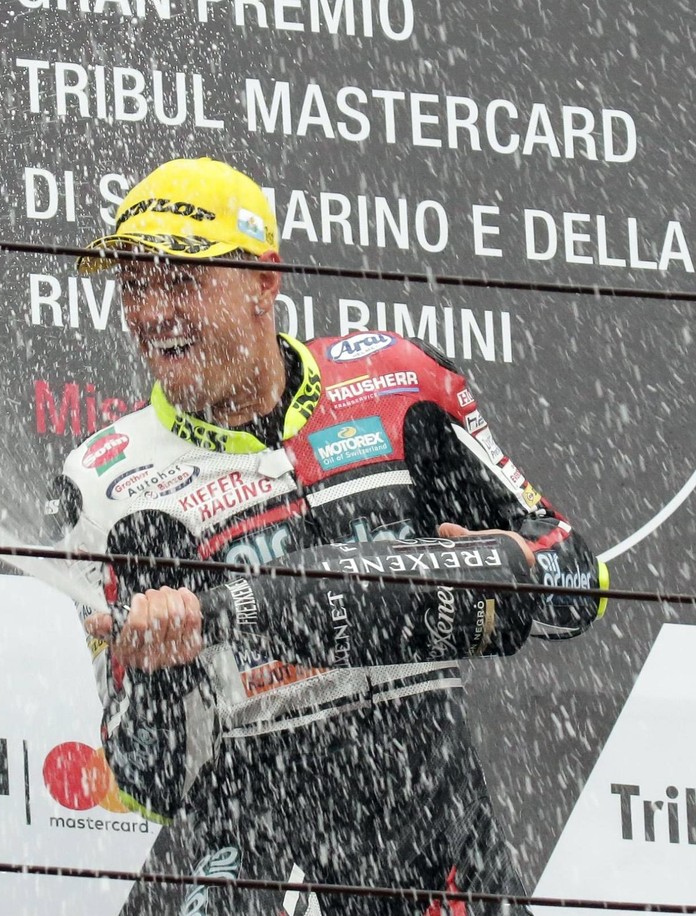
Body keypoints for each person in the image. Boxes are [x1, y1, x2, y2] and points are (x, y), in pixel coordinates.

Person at [48, 157, 606, 914]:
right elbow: (145, 784)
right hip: (252, 836)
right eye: (134, 285)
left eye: (181, 280)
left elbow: (583, 585)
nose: (152, 312)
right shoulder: (105, 486)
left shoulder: (398, 385)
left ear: (264, 283)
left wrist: (493, 569)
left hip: (431, 822)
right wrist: (150, 673)